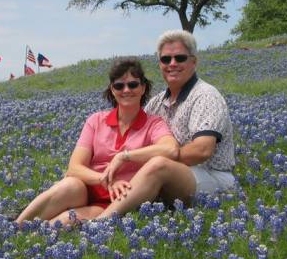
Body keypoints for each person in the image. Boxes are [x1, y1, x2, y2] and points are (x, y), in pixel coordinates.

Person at [14, 59, 178, 226]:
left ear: (143, 88)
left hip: (117, 201)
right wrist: (105, 180)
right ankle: (15, 226)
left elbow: (170, 149)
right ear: (112, 90)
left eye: (133, 85)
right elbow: (74, 168)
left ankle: (28, 234)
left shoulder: (153, 123)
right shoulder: (96, 120)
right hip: (86, 189)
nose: (126, 90)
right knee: (68, 184)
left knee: (60, 223)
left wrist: (125, 156)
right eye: (119, 86)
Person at [96, 30, 235, 219]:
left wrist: (154, 158)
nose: (172, 64)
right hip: (170, 176)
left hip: (211, 176)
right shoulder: (157, 102)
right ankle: (86, 215)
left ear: (193, 62)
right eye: (166, 59)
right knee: (151, 166)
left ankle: (101, 223)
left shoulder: (205, 96)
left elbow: (201, 151)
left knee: (157, 163)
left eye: (180, 58)